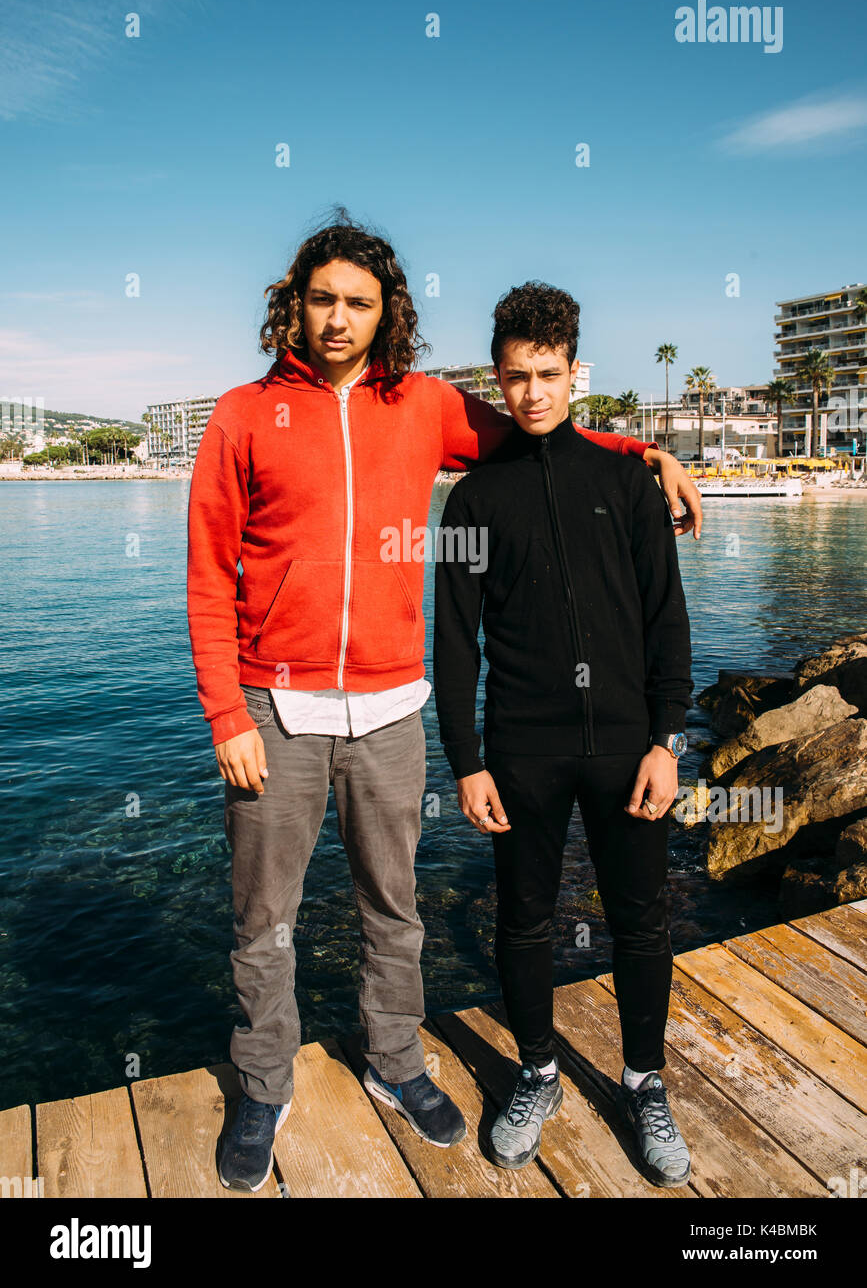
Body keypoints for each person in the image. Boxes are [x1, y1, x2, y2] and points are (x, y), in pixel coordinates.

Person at [186, 210, 701, 1192]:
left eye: (359, 302)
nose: (338, 318)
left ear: (388, 314)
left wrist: (643, 454)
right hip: (275, 711)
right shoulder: (242, 415)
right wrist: (225, 715)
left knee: (396, 910)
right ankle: (262, 1085)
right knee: (265, 920)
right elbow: (209, 572)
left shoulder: (422, 405)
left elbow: (540, 433)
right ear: (295, 303)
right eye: (323, 298)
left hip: (387, 712)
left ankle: (394, 1062)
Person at [433, 280, 695, 1187]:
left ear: (575, 373)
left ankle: (642, 1083)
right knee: (524, 918)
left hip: (626, 744)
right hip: (522, 747)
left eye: (548, 374)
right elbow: (452, 643)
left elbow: (667, 621)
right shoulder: (470, 501)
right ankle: (537, 1073)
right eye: (515, 378)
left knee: (640, 919)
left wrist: (667, 739)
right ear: (495, 379)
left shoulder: (626, 482)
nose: (532, 393)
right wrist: (466, 762)